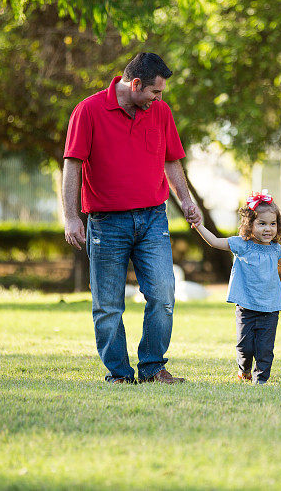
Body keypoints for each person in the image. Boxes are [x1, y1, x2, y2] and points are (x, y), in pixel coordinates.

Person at [62, 52, 201, 384]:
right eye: (155, 92)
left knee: (164, 294)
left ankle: (153, 368)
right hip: (106, 223)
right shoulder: (89, 110)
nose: (159, 99)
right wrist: (70, 217)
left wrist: (186, 200)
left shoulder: (160, 112)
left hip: (153, 219)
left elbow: (172, 160)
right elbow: (72, 165)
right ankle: (120, 375)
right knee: (108, 306)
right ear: (136, 84)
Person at [193, 190, 281, 384]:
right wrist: (198, 226)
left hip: (270, 307)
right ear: (250, 225)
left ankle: (261, 379)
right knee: (245, 347)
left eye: (272, 224)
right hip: (246, 307)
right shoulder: (242, 245)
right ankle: (244, 369)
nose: (268, 229)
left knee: (265, 348)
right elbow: (214, 242)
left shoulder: (274, 249)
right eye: (262, 223)